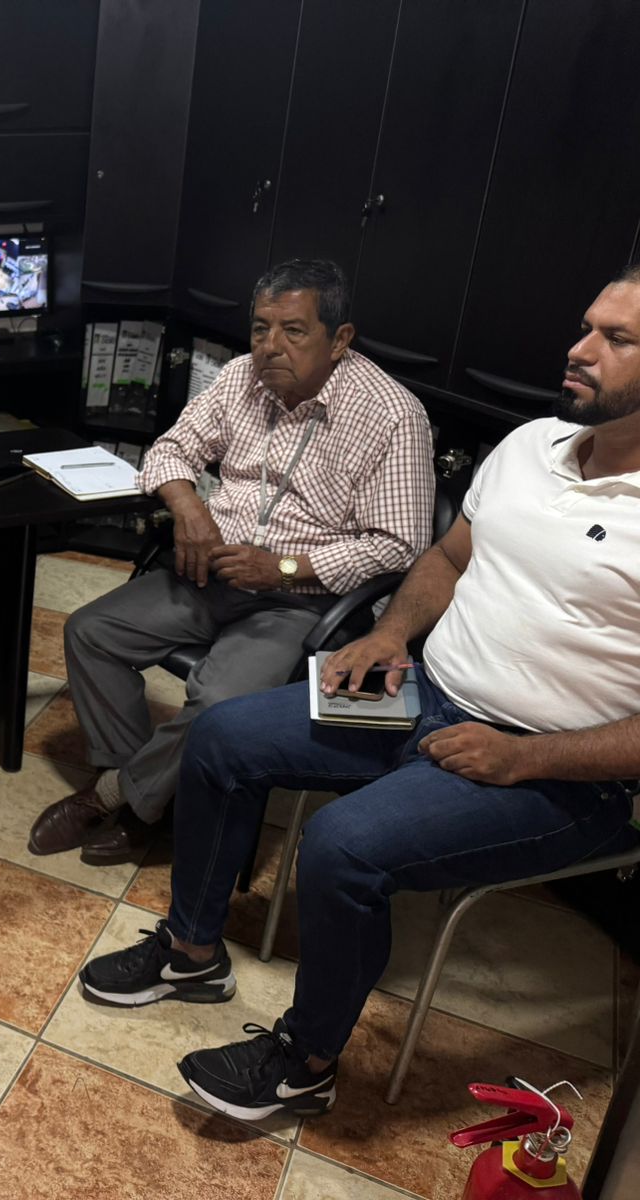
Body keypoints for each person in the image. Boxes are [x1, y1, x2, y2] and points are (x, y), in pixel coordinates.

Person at [76, 267, 640, 1122]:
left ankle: (305, 1063)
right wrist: (389, 636)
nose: (580, 348)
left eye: (617, 339)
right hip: (424, 694)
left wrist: (527, 757)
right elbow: (446, 558)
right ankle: (192, 953)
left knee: (340, 845)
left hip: (553, 769)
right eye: (588, 325)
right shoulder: (532, 445)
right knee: (224, 736)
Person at [28, 259, 434, 866]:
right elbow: (170, 449)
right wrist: (189, 507)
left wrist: (285, 568)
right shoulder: (242, 376)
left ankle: (114, 797)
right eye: (260, 328)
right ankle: (153, 792)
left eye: (293, 330)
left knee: (219, 700)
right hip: (212, 572)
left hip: (300, 601)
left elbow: (399, 545)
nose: (270, 346)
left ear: (339, 339)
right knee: (91, 632)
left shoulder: (391, 414)